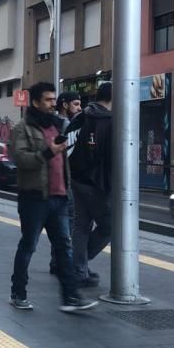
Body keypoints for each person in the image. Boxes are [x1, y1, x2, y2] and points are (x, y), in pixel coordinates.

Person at [9, 82, 97, 314]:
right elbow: (21, 159)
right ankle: (18, 292)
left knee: (64, 248)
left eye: (53, 99)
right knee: (28, 245)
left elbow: (63, 160)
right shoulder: (22, 128)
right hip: (34, 198)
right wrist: (48, 151)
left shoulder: (58, 126)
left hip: (59, 197)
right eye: (48, 99)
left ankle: (71, 296)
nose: (53, 103)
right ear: (36, 101)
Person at [64, 82, 114, 287]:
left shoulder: (80, 117)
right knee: (110, 226)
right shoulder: (110, 120)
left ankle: (78, 269)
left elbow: (66, 145)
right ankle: (80, 262)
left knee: (81, 225)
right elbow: (111, 157)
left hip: (75, 179)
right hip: (96, 183)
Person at [49, 91, 82, 276]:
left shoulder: (51, 123)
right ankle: (61, 263)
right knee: (66, 223)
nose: (79, 108)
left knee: (57, 224)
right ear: (65, 105)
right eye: (76, 104)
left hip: (54, 180)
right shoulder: (67, 125)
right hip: (65, 181)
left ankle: (56, 261)